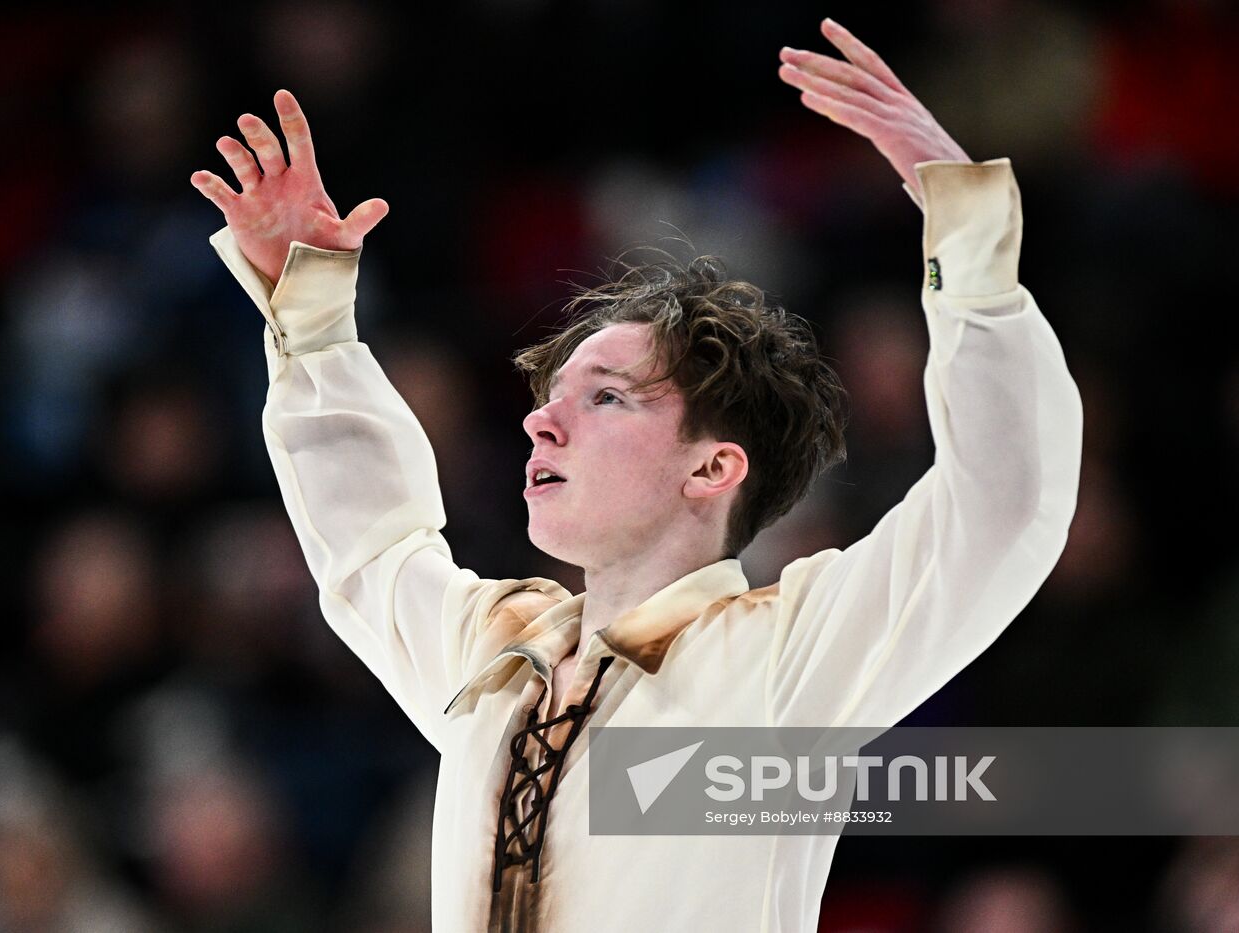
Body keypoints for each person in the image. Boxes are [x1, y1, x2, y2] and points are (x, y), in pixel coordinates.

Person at [191, 16, 1082, 933]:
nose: (543, 418)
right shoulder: (495, 656)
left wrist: (965, 228)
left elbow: (1003, 504)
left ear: (713, 466)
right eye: (554, 394)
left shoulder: (786, 661)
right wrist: (314, 311)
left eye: (607, 397)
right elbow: (372, 548)